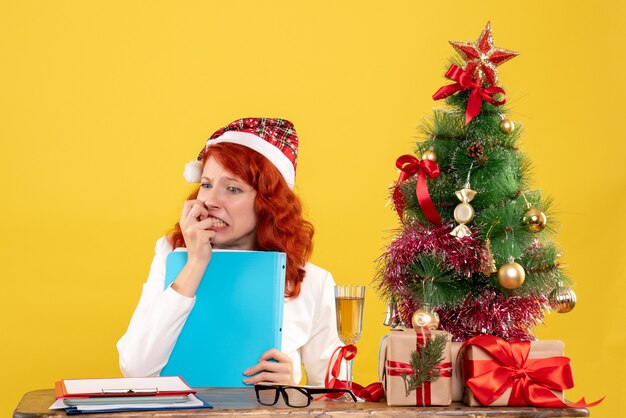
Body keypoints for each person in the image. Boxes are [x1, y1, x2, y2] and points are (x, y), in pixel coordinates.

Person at [117, 117, 342, 386]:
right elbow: (135, 368)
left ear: (269, 204)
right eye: (206, 184)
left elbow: (336, 397)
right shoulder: (170, 255)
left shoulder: (314, 283)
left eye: (232, 188)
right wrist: (194, 264)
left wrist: (292, 390)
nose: (210, 201)